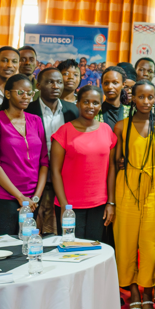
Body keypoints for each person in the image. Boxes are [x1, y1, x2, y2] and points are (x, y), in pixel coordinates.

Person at [110, 81, 155, 309]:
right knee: (126, 242)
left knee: (151, 243)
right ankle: (133, 292)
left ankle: (148, 291)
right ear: (133, 98)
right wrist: (111, 200)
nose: (146, 102)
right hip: (127, 186)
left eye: (150, 97)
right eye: (141, 97)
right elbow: (115, 163)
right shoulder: (121, 126)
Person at [0, 73, 49, 235]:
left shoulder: (36, 120)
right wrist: (19, 197)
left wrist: (35, 198)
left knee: (28, 244)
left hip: (32, 199)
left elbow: (44, 161)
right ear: (7, 94)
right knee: (6, 246)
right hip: (3, 197)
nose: (26, 97)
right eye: (20, 92)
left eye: (30, 93)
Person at [50, 84, 117, 241]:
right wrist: (64, 206)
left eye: (95, 103)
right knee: (71, 250)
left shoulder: (107, 130)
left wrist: (111, 202)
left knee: (95, 249)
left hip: (99, 205)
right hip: (70, 207)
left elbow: (112, 168)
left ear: (100, 105)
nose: (91, 106)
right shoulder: (64, 131)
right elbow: (55, 172)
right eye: (86, 102)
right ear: (78, 103)